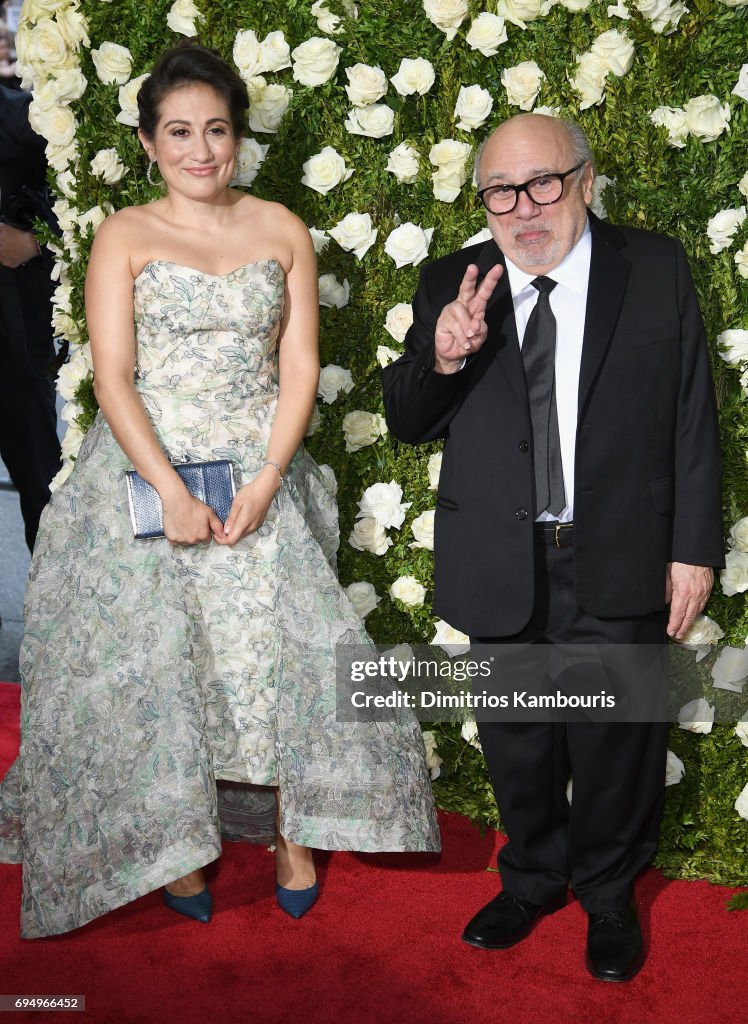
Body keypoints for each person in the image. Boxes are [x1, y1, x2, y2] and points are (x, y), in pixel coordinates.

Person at [0, 42, 439, 938]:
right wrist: (166, 489)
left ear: (237, 135)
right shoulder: (123, 233)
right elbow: (113, 378)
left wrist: (271, 477)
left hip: (259, 470)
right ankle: (183, 839)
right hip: (143, 472)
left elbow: (301, 363)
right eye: (179, 132)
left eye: (217, 129)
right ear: (149, 143)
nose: (201, 149)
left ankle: (289, 832)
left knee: (272, 662)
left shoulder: (280, 228)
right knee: (166, 661)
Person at [382, 114, 723, 982]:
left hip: (620, 551)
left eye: (543, 183)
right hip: (502, 558)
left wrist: (693, 547)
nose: (524, 208)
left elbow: (692, 414)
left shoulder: (653, 267)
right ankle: (531, 878)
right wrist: (444, 356)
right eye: (501, 191)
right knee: (518, 739)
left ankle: (609, 893)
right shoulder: (450, 284)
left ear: (584, 178)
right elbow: (409, 420)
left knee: (618, 744)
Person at [0, 83, 61, 552]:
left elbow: (83, 190)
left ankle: (50, 613)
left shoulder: (26, 116)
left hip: (14, 338)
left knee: (42, 488)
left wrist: (34, 242)